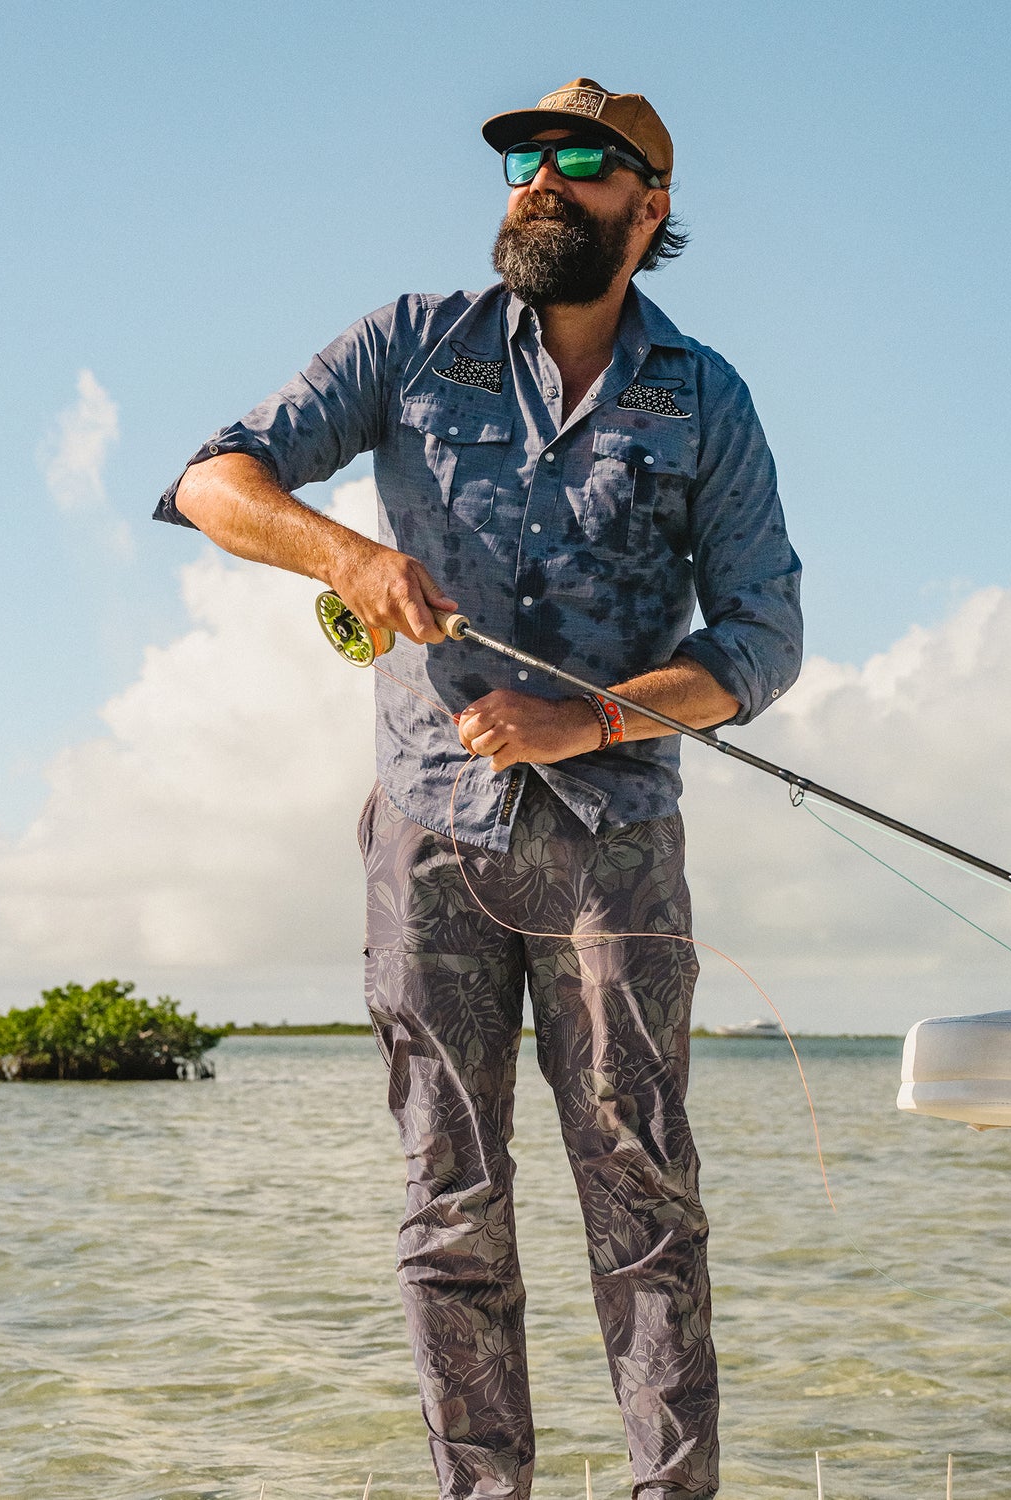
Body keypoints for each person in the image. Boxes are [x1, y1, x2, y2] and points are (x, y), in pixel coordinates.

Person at [156, 76, 802, 1500]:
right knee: (449, 1203)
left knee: (644, 1195)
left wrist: (587, 721)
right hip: (428, 837)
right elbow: (211, 483)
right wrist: (346, 556)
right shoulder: (410, 343)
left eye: (580, 160)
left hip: (617, 847)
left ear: (649, 205)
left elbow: (764, 640)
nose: (540, 179)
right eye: (521, 158)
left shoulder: (706, 399)